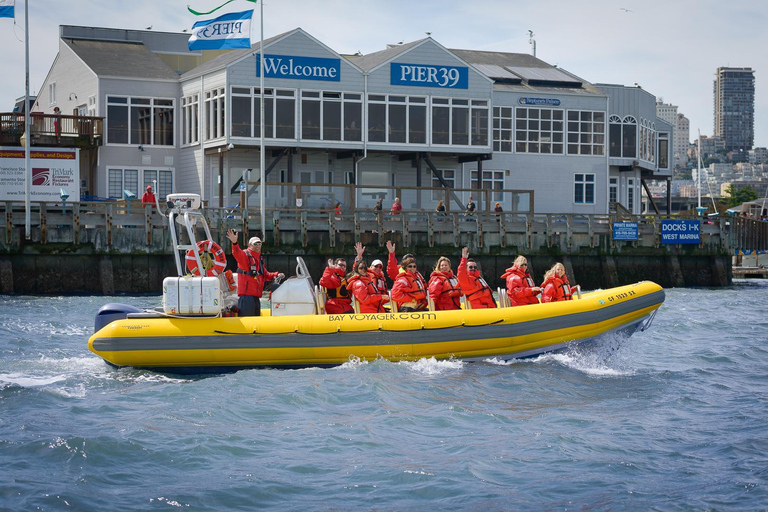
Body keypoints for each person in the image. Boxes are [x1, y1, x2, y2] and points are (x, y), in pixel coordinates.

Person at [225, 229, 284, 317]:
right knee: (248, 320)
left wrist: (276, 275)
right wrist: (234, 243)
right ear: (250, 245)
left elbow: (265, 274)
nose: (257, 246)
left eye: (259, 244)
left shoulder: (258, 259)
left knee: (256, 321)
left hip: (256, 297)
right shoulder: (245, 256)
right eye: (255, 244)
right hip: (246, 297)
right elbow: (236, 253)